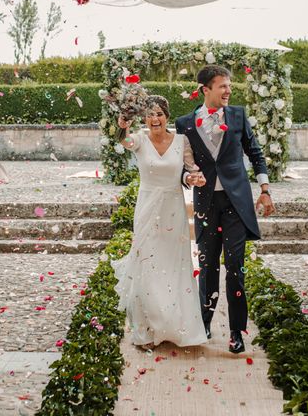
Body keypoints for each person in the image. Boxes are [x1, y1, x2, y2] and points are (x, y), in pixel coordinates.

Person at [176, 65, 274, 354]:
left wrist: (265, 189)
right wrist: (188, 176)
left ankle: (236, 331)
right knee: (207, 268)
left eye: (230, 86)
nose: (229, 91)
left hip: (236, 204)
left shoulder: (238, 115)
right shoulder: (185, 123)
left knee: (235, 268)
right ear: (205, 89)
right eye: (223, 86)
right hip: (206, 203)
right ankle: (204, 323)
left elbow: (255, 152)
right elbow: (183, 163)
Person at [112, 94, 208, 349]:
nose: (155, 119)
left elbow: (190, 171)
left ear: (167, 116)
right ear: (144, 118)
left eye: (160, 114)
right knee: (148, 265)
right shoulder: (140, 140)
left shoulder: (181, 140)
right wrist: (121, 125)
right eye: (150, 115)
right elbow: (123, 141)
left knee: (174, 266)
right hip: (147, 209)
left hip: (173, 209)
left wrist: (193, 180)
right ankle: (149, 328)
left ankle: (177, 326)